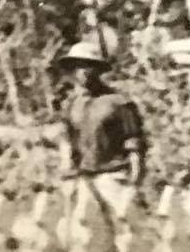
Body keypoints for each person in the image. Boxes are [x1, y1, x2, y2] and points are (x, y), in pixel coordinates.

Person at [57, 40, 147, 214]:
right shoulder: (72, 105)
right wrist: (66, 169)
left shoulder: (118, 103)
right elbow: (67, 139)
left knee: (123, 230)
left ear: (97, 70)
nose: (82, 72)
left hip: (113, 176)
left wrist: (134, 179)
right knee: (87, 233)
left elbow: (133, 141)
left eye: (87, 66)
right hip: (84, 179)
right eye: (77, 66)